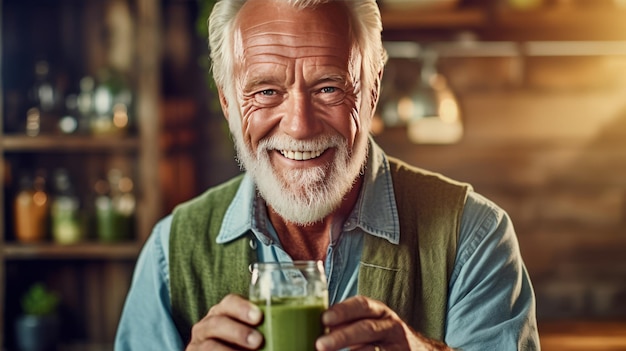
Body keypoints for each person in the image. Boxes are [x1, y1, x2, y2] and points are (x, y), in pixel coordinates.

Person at [115, 0, 540, 350]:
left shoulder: (473, 235)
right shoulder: (170, 253)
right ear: (228, 103)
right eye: (266, 91)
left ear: (372, 90)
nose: (299, 126)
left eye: (329, 88)